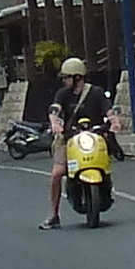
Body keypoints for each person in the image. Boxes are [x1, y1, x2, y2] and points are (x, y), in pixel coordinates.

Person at [42, 56, 91, 228]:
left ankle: (106, 189)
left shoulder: (95, 93)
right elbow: (55, 108)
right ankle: (54, 215)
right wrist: (55, 122)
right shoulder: (63, 94)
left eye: (67, 77)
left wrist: (114, 122)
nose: (64, 81)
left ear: (77, 77)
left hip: (91, 139)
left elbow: (108, 110)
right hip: (68, 139)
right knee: (56, 174)